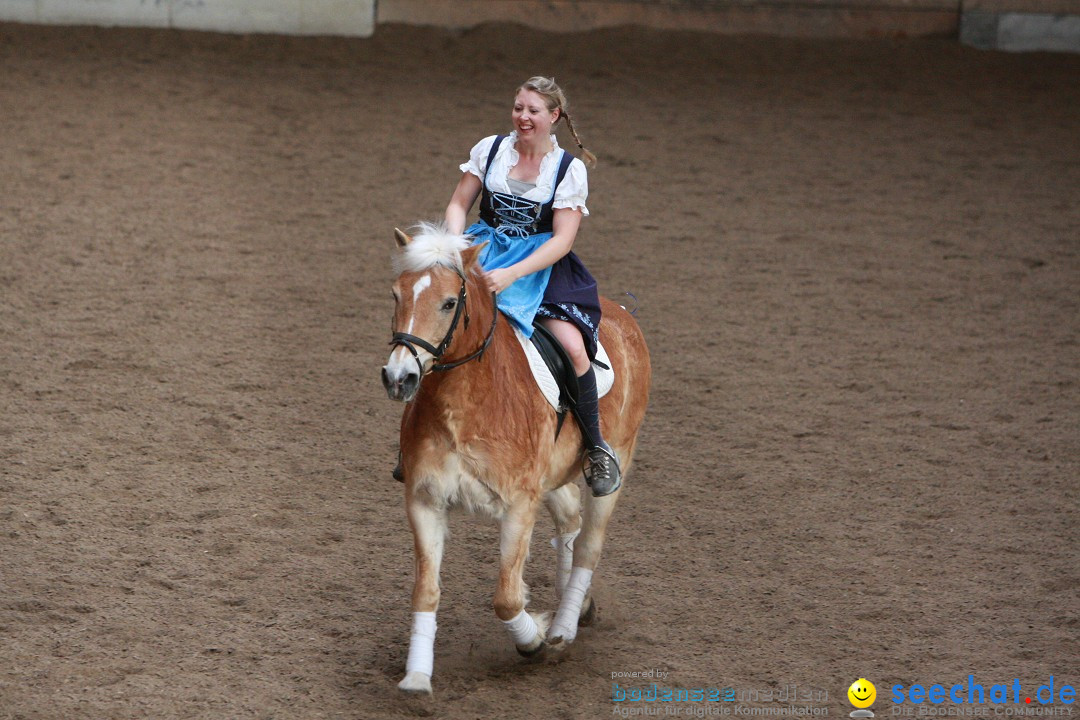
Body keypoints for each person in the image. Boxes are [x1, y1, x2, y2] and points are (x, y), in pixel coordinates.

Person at [443, 76, 620, 497]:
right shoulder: (489, 150)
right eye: (518, 107)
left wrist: (513, 274)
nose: (523, 117)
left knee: (575, 347)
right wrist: (455, 246)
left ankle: (595, 446)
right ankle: (415, 440)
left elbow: (562, 240)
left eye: (533, 110)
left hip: (540, 266)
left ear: (553, 117)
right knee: (437, 325)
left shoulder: (567, 170)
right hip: (481, 251)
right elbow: (457, 204)